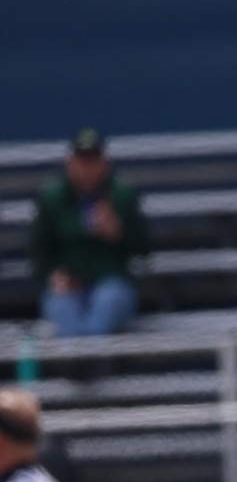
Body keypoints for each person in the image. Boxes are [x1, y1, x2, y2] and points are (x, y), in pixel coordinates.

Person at [31, 128, 150, 340]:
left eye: (93, 162)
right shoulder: (52, 198)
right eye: (82, 161)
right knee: (62, 306)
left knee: (109, 300)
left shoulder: (122, 195)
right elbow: (38, 250)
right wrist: (52, 277)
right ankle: (85, 363)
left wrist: (118, 232)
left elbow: (145, 249)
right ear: (70, 163)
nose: (87, 169)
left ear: (104, 163)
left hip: (111, 282)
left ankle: (85, 363)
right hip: (68, 284)